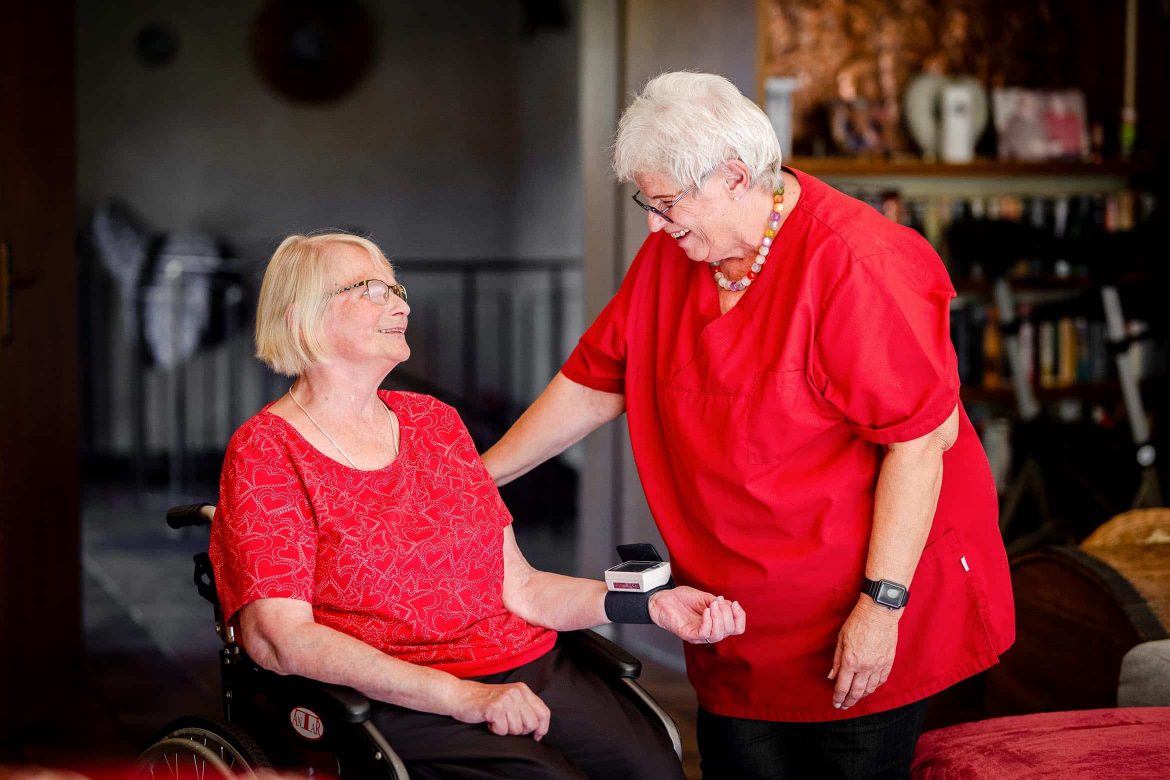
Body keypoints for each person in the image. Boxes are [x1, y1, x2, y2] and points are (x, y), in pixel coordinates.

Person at [481, 72, 1015, 779]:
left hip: (864, 601)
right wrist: (475, 478)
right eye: (647, 202)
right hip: (735, 614)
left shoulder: (857, 263)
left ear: (734, 178)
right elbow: (594, 380)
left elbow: (921, 445)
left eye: (666, 203)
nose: (653, 224)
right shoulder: (676, 255)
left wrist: (881, 608)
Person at [208, 232, 747, 780]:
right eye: (370, 289)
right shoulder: (267, 450)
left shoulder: (434, 422)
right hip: (393, 689)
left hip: (522, 662)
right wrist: (460, 696)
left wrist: (648, 605)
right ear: (303, 317)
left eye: (396, 289)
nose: (401, 305)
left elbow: (523, 587)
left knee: (653, 766)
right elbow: (279, 639)